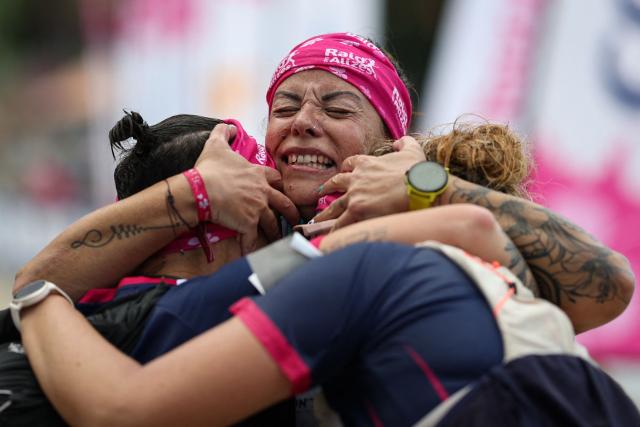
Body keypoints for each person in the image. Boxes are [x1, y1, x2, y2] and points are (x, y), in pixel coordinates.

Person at [13, 33, 633, 332]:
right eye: (285, 109)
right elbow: (38, 285)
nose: (304, 124)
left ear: (387, 143)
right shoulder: (237, 217)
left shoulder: (424, 221)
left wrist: (433, 188)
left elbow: (607, 286)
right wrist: (194, 193)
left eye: (338, 111)